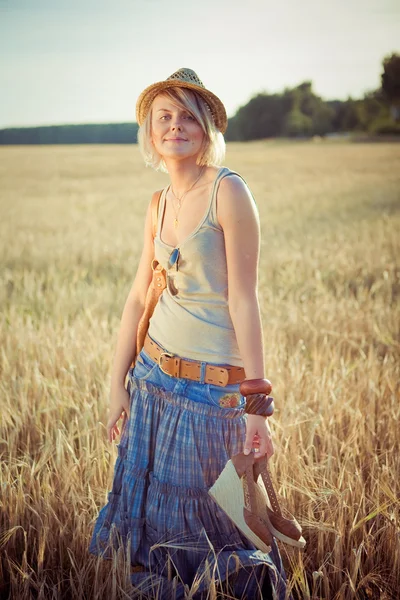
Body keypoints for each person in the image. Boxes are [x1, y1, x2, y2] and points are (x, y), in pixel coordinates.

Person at [89, 68, 291, 599]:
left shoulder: (229, 191)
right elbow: (137, 298)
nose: (174, 125)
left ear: (205, 130)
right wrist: (116, 385)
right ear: (151, 133)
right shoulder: (156, 203)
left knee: (217, 532)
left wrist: (256, 405)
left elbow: (244, 301)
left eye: (187, 116)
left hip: (208, 392)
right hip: (153, 378)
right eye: (164, 117)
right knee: (152, 527)